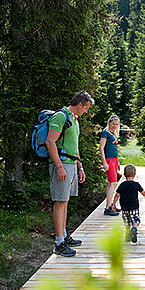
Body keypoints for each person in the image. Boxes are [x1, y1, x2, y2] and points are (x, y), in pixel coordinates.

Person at [45, 91, 94, 257]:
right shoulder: (60, 116)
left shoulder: (74, 120)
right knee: (59, 201)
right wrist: (59, 166)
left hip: (72, 164)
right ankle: (58, 243)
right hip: (62, 164)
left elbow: (75, 147)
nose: (86, 111)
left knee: (65, 201)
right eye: (86, 108)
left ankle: (64, 236)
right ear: (80, 104)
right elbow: (50, 142)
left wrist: (80, 166)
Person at [113, 164, 145, 243]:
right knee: (136, 220)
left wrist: (114, 204)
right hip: (134, 207)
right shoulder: (136, 184)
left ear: (124, 174)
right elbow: (142, 192)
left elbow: (117, 195)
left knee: (127, 221)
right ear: (134, 174)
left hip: (124, 207)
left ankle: (127, 235)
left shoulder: (122, 185)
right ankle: (134, 229)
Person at [99, 114, 121, 216]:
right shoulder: (105, 133)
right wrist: (104, 162)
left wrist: (118, 162)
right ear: (109, 123)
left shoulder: (113, 133)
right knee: (113, 183)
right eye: (113, 124)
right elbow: (101, 148)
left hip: (114, 160)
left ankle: (110, 205)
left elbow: (114, 149)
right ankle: (108, 208)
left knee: (110, 183)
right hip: (109, 160)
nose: (115, 126)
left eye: (116, 124)